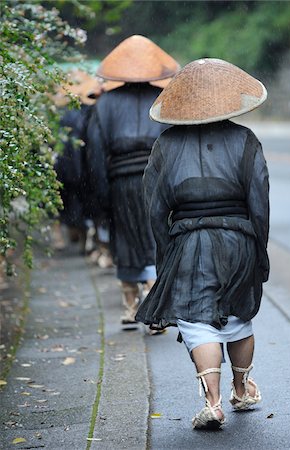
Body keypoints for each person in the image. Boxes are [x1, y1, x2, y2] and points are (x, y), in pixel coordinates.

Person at [136, 58, 269, 429]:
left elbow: (154, 207)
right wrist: (259, 248)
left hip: (189, 241)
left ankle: (212, 402)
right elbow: (260, 201)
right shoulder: (245, 140)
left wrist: (166, 254)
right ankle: (241, 389)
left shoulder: (165, 145)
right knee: (239, 315)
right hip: (239, 237)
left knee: (196, 320)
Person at [86, 35, 180, 329]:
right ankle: (156, 303)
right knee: (156, 236)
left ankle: (130, 307)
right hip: (159, 179)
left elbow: (94, 153)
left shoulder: (105, 103)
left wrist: (100, 197)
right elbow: (175, 145)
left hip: (120, 180)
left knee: (124, 237)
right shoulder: (164, 99)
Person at [53, 71, 102, 253]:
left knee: (71, 202)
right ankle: (84, 236)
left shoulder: (62, 114)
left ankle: (76, 231)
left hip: (67, 166)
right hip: (81, 166)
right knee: (82, 202)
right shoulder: (87, 112)